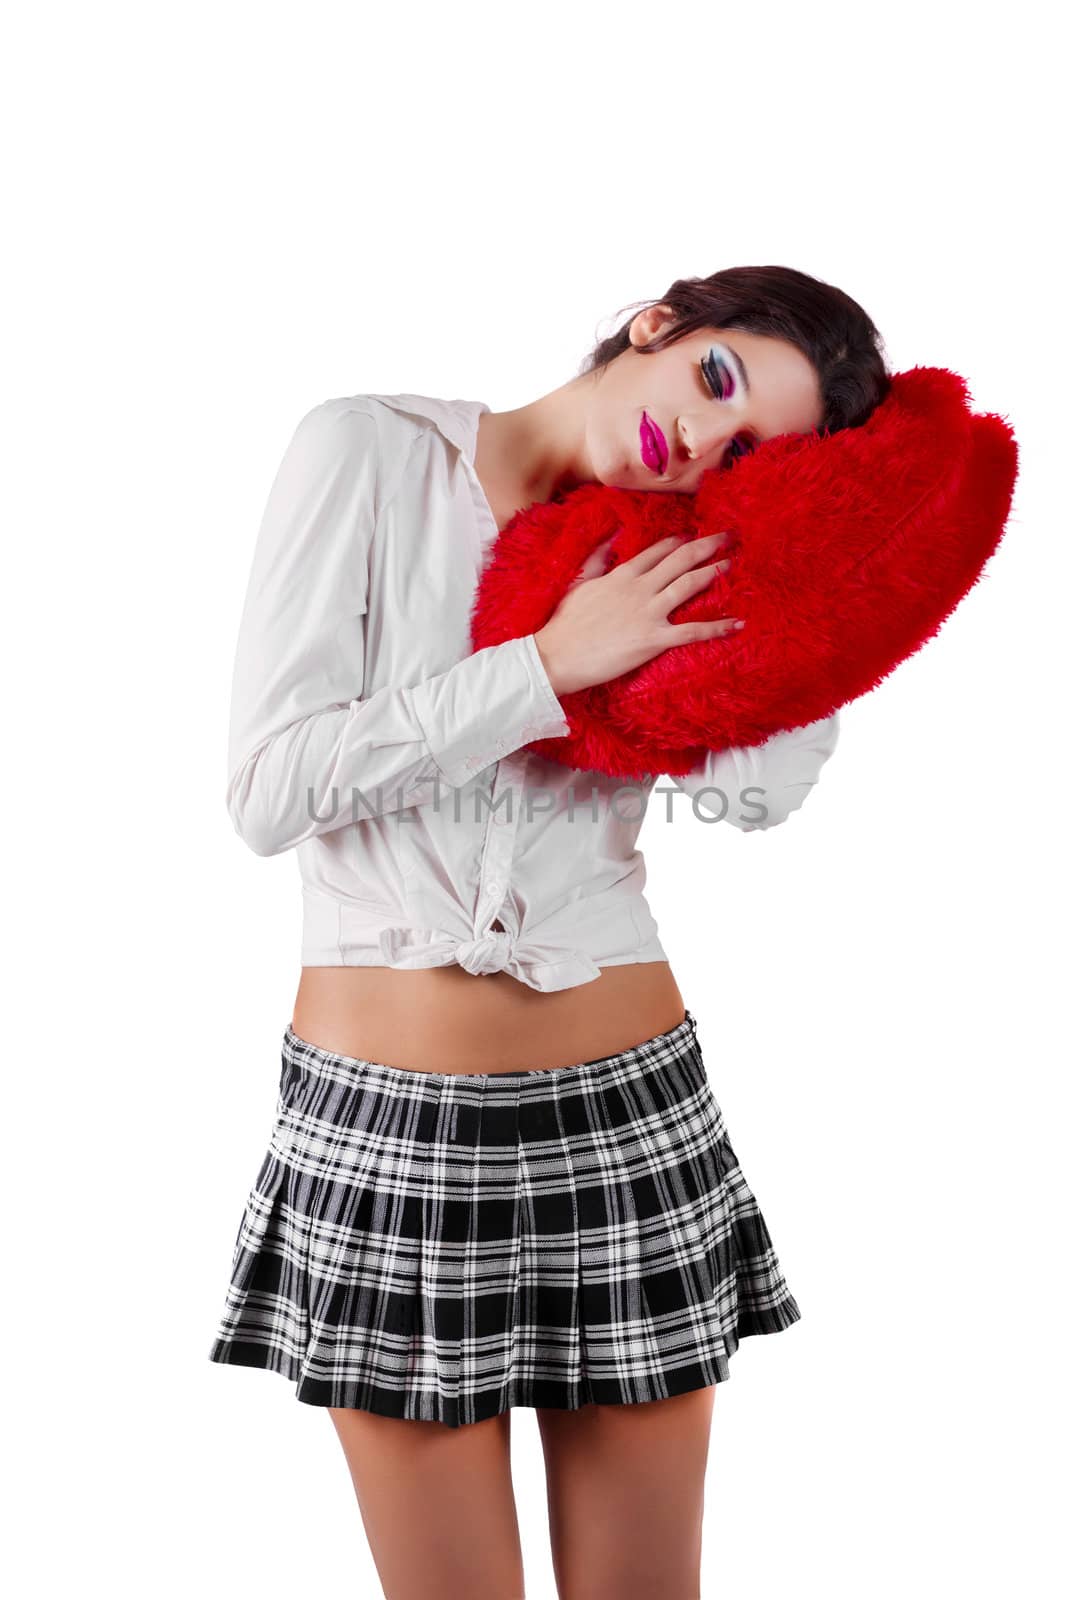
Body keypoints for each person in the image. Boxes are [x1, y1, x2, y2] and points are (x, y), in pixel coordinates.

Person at [208, 265, 891, 1600]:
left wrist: (809, 576)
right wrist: (547, 667)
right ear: (666, 324)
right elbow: (267, 791)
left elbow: (759, 795)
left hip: (633, 1116)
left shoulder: (684, 558)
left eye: (747, 455)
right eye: (717, 383)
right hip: (386, 1132)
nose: (702, 442)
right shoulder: (369, 451)